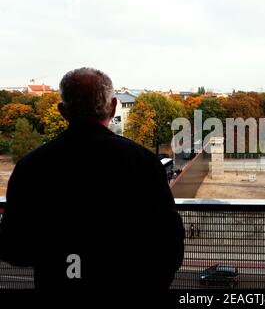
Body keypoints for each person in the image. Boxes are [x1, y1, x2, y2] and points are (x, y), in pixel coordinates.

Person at [0, 68, 185, 291]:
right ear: (114, 106)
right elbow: (169, 244)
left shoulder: (31, 166)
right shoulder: (143, 162)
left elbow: (13, 249)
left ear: (62, 111)